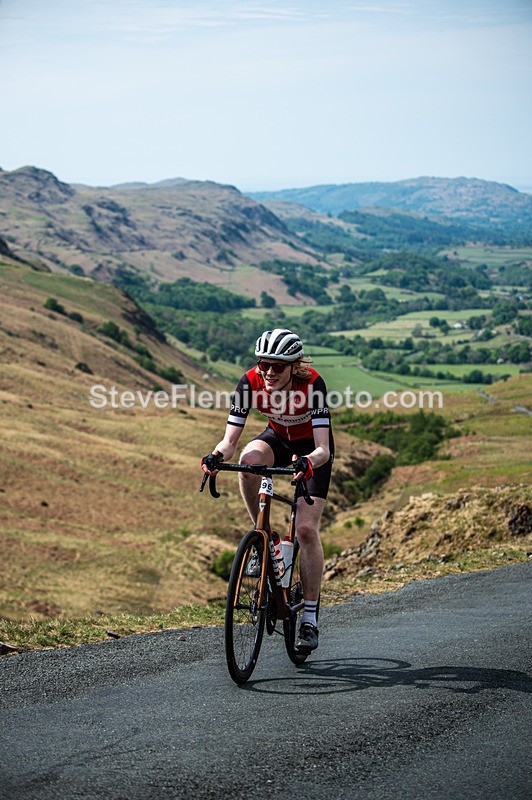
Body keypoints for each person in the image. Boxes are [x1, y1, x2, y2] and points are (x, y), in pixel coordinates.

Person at [201, 328, 334, 653]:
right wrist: (216, 456)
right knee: (247, 461)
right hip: (277, 437)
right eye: (264, 364)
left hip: (311, 451)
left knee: (304, 529)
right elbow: (230, 441)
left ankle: (310, 619)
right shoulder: (250, 383)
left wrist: (307, 462)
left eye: (278, 365)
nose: (270, 372)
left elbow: (324, 449)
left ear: (294, 365)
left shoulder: (312, 384)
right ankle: (263, 537)